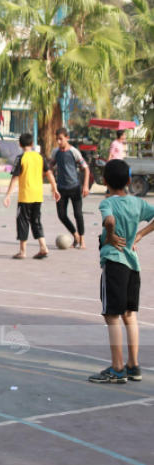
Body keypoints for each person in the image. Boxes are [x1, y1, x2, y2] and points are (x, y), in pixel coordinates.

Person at [88, 159, 152, 384]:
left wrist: (112, 233)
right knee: (130, 315)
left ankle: (117, 368)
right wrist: (140, 235)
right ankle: (133, 365)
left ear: (105, 181)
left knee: (112, 316)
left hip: (115, 264)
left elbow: (109, 220)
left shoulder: (108, 203)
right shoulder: (137, 202)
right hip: (133, 264)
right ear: (129, 180)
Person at [3, 133, 60, 259]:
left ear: (20, 144)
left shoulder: (21, 157)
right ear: (32, 144)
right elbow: (49, 173)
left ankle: (22, 251)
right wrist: (55, 189)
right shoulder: (40, 157)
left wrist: (8, 195)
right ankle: (43, 247)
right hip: (38, 195)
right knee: (36, 221)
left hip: (25, 196)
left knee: (23, 221)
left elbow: (15, 177)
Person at [50, 128, 90, 249]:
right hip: (61, 189)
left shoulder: (74, 151)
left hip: (74, 188)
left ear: (67, 138)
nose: (59, 142)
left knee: (78, 214)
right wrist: (53, 185)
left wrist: (86, 185)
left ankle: (82, 240)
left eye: (61, 139)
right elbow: (49, 168)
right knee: (61, 215)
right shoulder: (55, 152)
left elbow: (86, 168)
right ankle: (76, 236)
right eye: (57, 139)